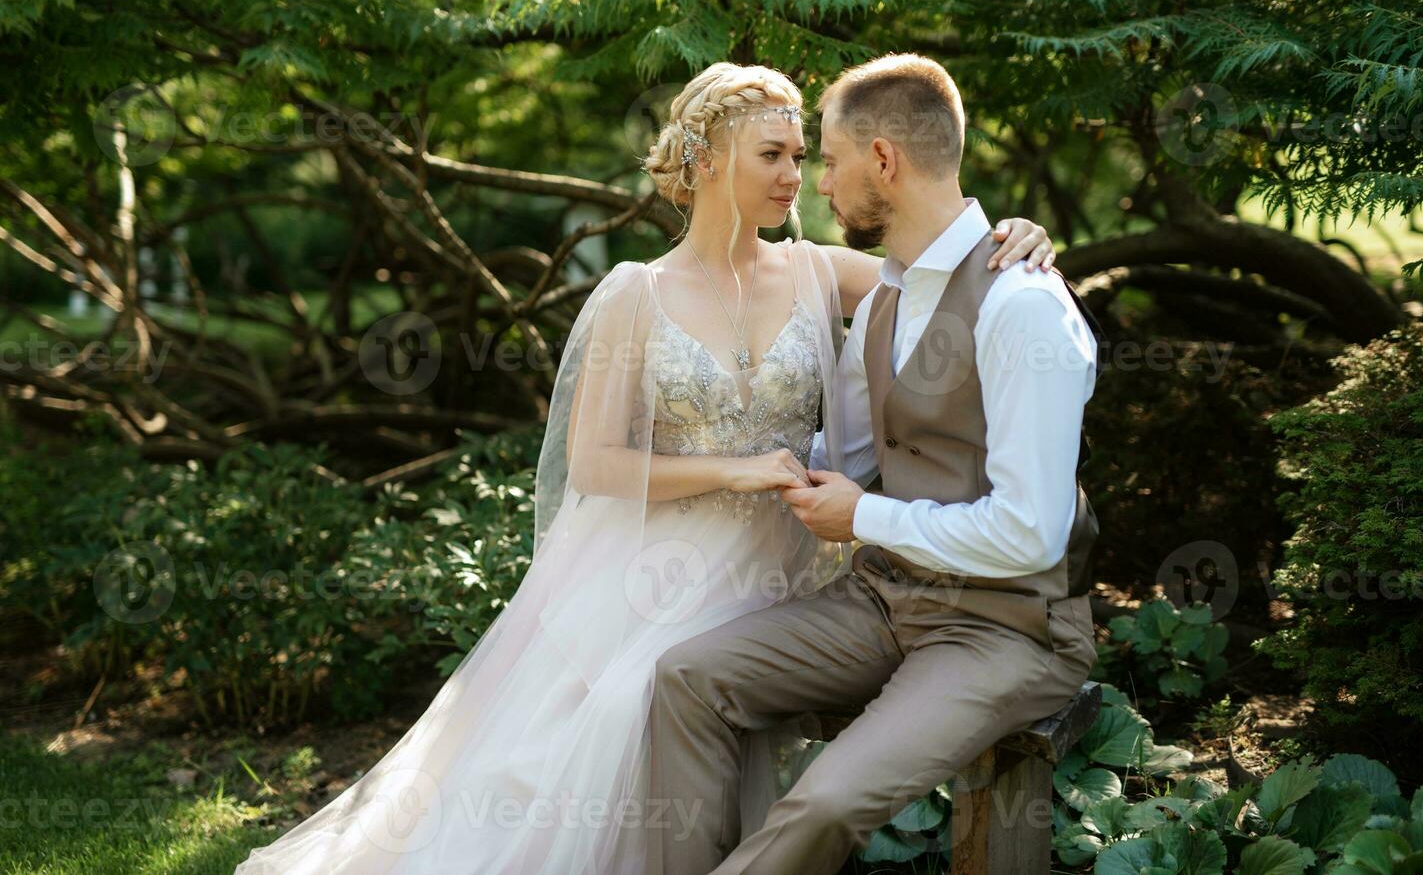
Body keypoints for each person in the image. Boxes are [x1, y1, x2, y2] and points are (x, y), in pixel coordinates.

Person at [233, 61, 1055, 875]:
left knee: (699, 698)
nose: (796, 176)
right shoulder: (637, 292)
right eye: (772, 155)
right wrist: (728, 472)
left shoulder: (816, 270)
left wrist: (1016, 235)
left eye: (803, 157)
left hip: (784, 568)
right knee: (620, 708)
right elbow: (594, 462)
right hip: (659, 564)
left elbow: (939, 265)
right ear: (706, 160)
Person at [649, 53, 1104, 875]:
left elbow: (1033, 535)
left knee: (822, 802)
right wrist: (712, 456)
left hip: (1008, 629)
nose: (816, 185)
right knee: (687, 677)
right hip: (886, 601)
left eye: (827, 159)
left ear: (884, 160)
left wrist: (863, 517)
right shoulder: (886, 297)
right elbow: (847, 458)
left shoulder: (1024, 306)